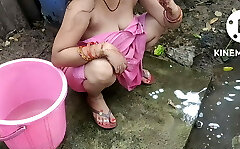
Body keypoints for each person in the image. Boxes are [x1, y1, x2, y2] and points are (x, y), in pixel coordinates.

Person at [51, 0, 183, 129]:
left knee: (156, 23)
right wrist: (103, 49)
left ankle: (133, 66)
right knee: (102, 71)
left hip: (125, 47)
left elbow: (166, 22)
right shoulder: (82, 6)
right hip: (88, 63)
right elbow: (58, 57)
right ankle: (94, 96)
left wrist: (173, 10)